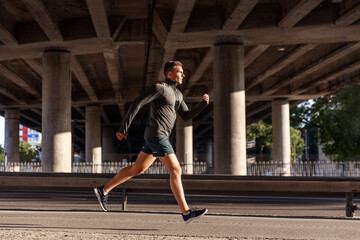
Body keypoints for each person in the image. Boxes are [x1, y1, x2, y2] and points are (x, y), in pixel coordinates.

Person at [94, 61, 209, 224]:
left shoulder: (178, 94)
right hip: (157, 135)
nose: (183, 75)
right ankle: (186, 212)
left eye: (183, 72)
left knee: (137, 169)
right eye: (180, 72)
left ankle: (103, 190)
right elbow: (137, 103)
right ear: (170, 74)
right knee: (175, 169)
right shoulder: (159, 88)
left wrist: (203, 105)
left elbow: (186, 116)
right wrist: (124, 128)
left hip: (157, 137)